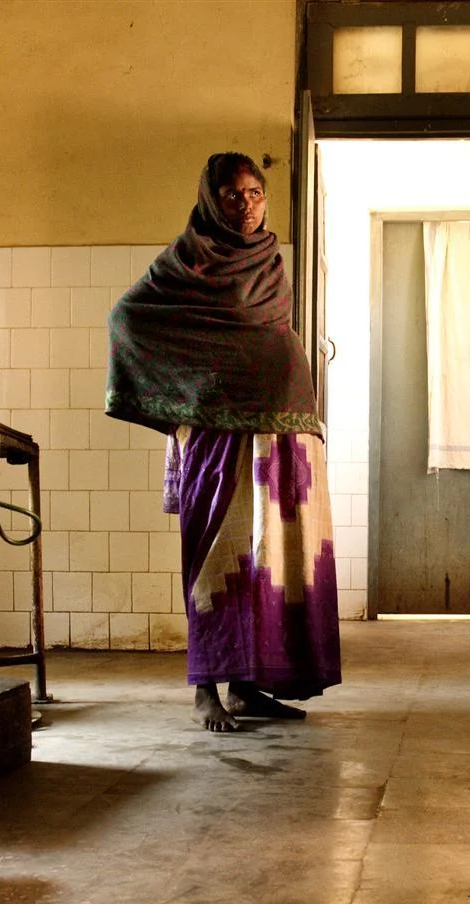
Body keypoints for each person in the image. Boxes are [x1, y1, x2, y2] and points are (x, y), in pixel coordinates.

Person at [107, 152, 341, 732]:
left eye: (256, 193)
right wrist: (191, 393)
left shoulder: (269, 257)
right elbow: (126, 318)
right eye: (233, 195)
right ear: (212, 199)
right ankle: (206, 688)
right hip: (221, 436)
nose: (247, 205)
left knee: (270, 560)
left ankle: (246, 684)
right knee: (217, 557)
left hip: (285, 431)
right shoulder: (189, 260)